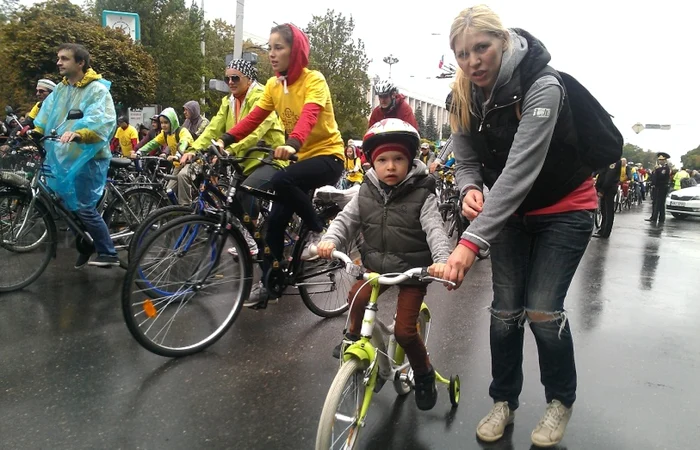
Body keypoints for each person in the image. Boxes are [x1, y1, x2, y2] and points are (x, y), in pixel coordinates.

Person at [441, 6, 598, 447]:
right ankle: (503, 401)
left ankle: (559, 402)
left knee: (542, 310)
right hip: (510, 213)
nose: (473, 61)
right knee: (505, 312)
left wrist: (470, 242)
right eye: (462, 54)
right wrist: (470, 186)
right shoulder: (463, 95)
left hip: (565, 208)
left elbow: (517, 173)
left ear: (503, 41)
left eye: (481, 47)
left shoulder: (543, 86)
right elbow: (467, 160)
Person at [316, 118, 451, 411]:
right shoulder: (365, 191)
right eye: (383, 160)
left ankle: (424, 373)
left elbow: (435, 230)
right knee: (356, 299)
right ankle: (353, 338)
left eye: (398, 159)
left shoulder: (422, 194)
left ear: (410, 159)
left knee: (404, 331)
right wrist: (330, 241)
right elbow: (345, 221)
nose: (390, 166)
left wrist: (442, 262)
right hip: (376, 266)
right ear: (372, 163)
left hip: (413, 272)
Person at [217, 23, 344, 305]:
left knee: (280, 180)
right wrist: (225, 138)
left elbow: (309, 116)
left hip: (328, 156)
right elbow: (253, 119)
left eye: (279, 48)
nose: (271, 54)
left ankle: (317, 231)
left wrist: (294, 143)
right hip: (301, 159)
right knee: (272, 226)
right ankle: (270, 284)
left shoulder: (314, 81)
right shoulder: (274, 86)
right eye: (269, 48)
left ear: (294, 50)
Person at [187, 58, 286, 259]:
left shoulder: (260, 97)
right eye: (227, 78)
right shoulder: (228, 102)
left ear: (249, 80)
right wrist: (194, 149)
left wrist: (230, 150)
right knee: (231, 200)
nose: (230, 82)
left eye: (235, 78)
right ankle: (250, 235)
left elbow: (255, 132)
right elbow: (213, 128)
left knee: (244, 193)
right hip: (243, 161)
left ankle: (254, 238)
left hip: (270, 158)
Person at [33, 43, 118, 268]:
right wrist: (34, 131)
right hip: (69, 155)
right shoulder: (62, 89)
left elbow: (103, 121)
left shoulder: (97, 90)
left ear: (80, 63)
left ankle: (108, 253)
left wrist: (80, 133)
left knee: (83, 206)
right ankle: (86, 242)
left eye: (64, 58)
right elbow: (46, 113)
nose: (59, 62)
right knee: (65, 202)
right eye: (58, 58)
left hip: (91, 156)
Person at [134, 108, 194, 204]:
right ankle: (172, 212)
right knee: (168, 191)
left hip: (190, 162)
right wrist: (140, 152)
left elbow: (184, 142)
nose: (163, 125)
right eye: (161, 123)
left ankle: (185, 206)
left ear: (172, 121)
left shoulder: (182, 131)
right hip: (178, 164)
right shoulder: (165, 134)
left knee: (182, 176)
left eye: (166, 122)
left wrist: (178, 155)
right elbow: (153, 143)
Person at [593, 161, 621, 238]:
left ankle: (605, 232)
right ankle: (602, 229)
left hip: (608, 189)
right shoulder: (607, 161)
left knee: (608, 211)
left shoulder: (613, 162)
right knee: (603, 210)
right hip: (605, 188)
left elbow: (609, 177)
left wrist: (602, 190)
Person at [646, 152, 672, 224]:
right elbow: (653, 177)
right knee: (655, 202)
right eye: (659, 160)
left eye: (662, 160)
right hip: (656, 187)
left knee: (659, 203)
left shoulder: (665, 168)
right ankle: (654, 217)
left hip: (662, 187)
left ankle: (659, 218)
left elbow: (661, 176)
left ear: (665, 160)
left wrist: (657, 170)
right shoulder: (658, 168)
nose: (660, 161)